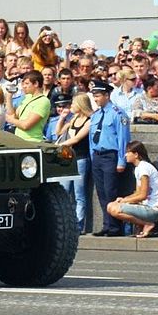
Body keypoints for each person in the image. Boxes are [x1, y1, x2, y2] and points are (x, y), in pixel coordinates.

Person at [89, 80, 131, 236]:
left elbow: (123, 138)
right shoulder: (96, 115)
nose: (96, 99)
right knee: (101, 192)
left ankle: (115, 226)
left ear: (107, 95)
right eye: (94, 96)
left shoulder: (117, 113)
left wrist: (121, 160)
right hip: (98, 156)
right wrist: (92, 155)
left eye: (98, 96)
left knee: (110, 191)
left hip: (110, 156)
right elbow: (92, 138)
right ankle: (107, 224)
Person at [107, 141, 158, 238]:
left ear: (136, 154)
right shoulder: (139, 168)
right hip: (146, 207)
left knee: (114, 209)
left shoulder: (144, 168)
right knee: (111, 205)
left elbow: (143, 195)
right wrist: (123, 199)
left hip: (153, 210)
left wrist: (125, 201)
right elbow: (137, 193)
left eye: (128, 152)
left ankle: (147, 224)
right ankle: (144, 224)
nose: (125, 155)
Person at [57, 93, 93, 234]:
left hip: (80, 158)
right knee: (64, 191)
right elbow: (59, 131)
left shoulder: (89, 121)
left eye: (73, 103)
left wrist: (60, 146)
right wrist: (62, 118)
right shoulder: (74, 118)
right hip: (68, 159)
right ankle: (65, 223)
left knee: (79, 193)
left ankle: (78, 224)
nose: (71, 106)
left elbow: (77, 139)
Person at [4, 70, 50, 142]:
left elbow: (26, 125)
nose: (23, 86)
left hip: (33, 142)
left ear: (36, 84)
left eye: (27, 83)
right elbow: (13, 115)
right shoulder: (27, 97)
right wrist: (9, 97)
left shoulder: (43, 101)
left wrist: (10, 119)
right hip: (19, 140)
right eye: (23, 84)